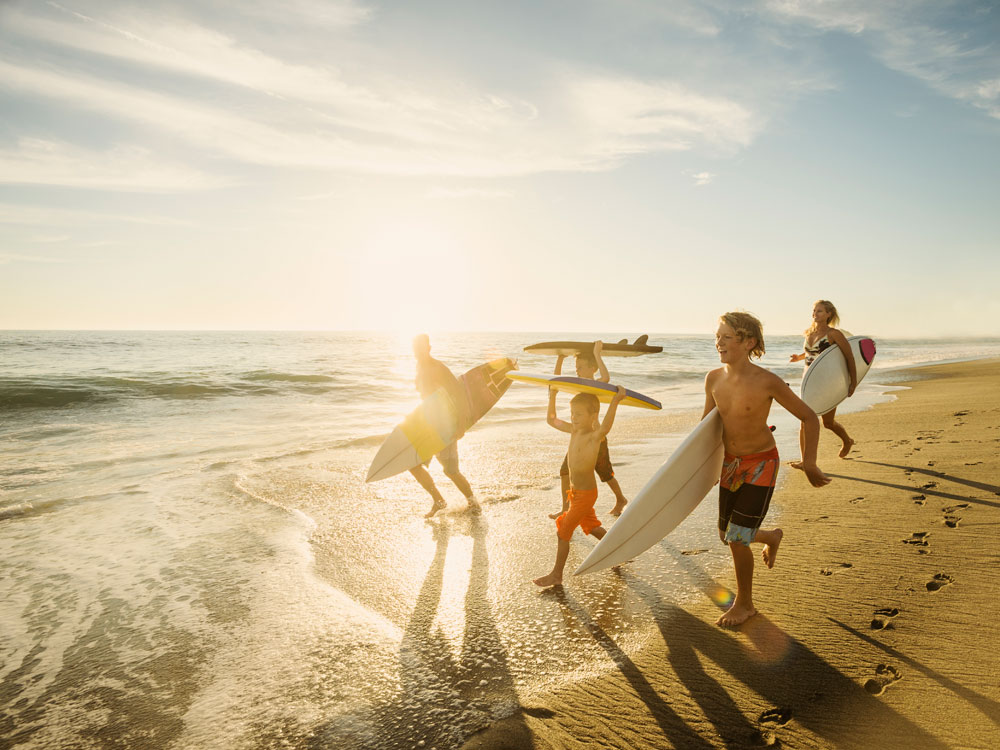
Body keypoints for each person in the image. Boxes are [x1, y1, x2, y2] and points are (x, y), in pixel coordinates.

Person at [704, 311, 830, 626]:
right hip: (731, 464)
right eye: (717, 336)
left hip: (761, 464)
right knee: (727, 534)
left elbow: (809, 417)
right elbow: (706, 430)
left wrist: (809, 461)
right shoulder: (713, 379)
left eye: (726, 337)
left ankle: (745, 604)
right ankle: (771, 537)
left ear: (749, 342)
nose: (719, 342)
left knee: (736, 537)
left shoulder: (767, 381)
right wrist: (698, 474)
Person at [534, 385, 626, 588]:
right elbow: (551, 420)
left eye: (579, 414)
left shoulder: (594, 437)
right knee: (591, 527)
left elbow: (606, 427)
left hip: (586, 495)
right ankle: (617, 550)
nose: (574, 418)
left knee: (563, 532)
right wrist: (553, 395)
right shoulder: (573, 430)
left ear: (594, 415)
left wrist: (615, 401)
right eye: (572, 413)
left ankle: (556, 575)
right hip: (575, 493)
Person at [549, 341, 630, 517]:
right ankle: (566, 508)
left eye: (580, 367)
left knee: (605, 473)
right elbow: (556, 383)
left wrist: (597, 353)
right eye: (576, 367)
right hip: (579, 436)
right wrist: (560, 359)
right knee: (565, 471)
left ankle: (621, 499)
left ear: (592, 368)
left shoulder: (595, 384)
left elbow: (606, 378)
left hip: (595, 437)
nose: (577, 370)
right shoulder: (579, 385)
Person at [408, 334, 481, 518]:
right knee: (413, 464)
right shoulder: (419, 366)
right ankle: (438, 501)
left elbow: (459, 393)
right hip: (428, 425)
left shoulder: (437, 367)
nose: (417, 351)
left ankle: (473, 503)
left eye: (420, 348)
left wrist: (461, 425)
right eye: (415, 348)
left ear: (429, 348)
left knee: (451, 471)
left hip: (445, 426)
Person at [788, 300, 857, 460]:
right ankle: (805, 461)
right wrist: (799, 357)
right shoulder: (809, 333)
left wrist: (852, 382)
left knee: (828, 423)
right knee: (805, 421)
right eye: (814, 311)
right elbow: (813, 353)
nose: (815, 314)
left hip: (827, 383)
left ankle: (847, 441)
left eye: (819, 311)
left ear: (828, 314)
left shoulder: (834, 334)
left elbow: (849, 356)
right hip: (809, 382)